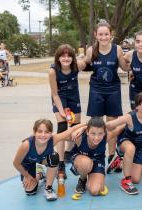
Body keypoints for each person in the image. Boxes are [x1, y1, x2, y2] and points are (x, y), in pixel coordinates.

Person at [79, 20, 130, 174]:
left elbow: (124, 66)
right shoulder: (91, 50)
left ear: (111, 35)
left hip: (113, 89)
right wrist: (77, 60)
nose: (103, 37)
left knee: (112, 125)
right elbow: (85, 64)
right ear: (96, 35)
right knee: (95, 125)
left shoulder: (118, 49)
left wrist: (134, 61)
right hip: (96, 89)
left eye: (106, 34)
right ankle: (94, 154)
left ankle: (112, 156)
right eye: (100, 34)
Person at [13, 119, 85, 201]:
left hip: (42, 159)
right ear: (34, 132)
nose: (43, 135)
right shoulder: (26, 145)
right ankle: (39, 173)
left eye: (47, 132)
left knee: (54, 156)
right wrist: (27, 176)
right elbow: (16, 163)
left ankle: (48, 188)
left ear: (51, 133)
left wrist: (86, 124)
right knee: (30, 192)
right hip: (28, 164)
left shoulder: (53, 139)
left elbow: (71, 130)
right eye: (40, 131)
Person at [106, 91, 142, 195]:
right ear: (137, 106)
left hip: (139, 147)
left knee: (136, 179)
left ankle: (119, 163)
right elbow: (110, 125)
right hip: (125, 142)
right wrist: (89, 126)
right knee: (130, 149)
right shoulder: (130, 117)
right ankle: (126, 181)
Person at [49, 44, 82, 178]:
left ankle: (72, 153)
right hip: (60, 97)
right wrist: (62, 111)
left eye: (69, 55)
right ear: (58, 58)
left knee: (76, 127)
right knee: (62, 127)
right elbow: (55, 94)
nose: (66, 58)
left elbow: (88, 61)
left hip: (74, 97)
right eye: (63, 55)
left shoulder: (76, 66)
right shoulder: (53, 71)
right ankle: (61, 163)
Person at [69, 117, 124, 195]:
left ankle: (92, 176)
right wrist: (80, 128)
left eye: (100, 133)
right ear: (87, 132)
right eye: (93, 133)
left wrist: (133, 118)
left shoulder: (107, 136)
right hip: (81, 160)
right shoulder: (79, 136)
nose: (96, 137)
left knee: (95, 190)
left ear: (104, 133)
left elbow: (119, 129)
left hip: (97, 160)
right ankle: (82, 179)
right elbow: (61, 136)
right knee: (86, 163)